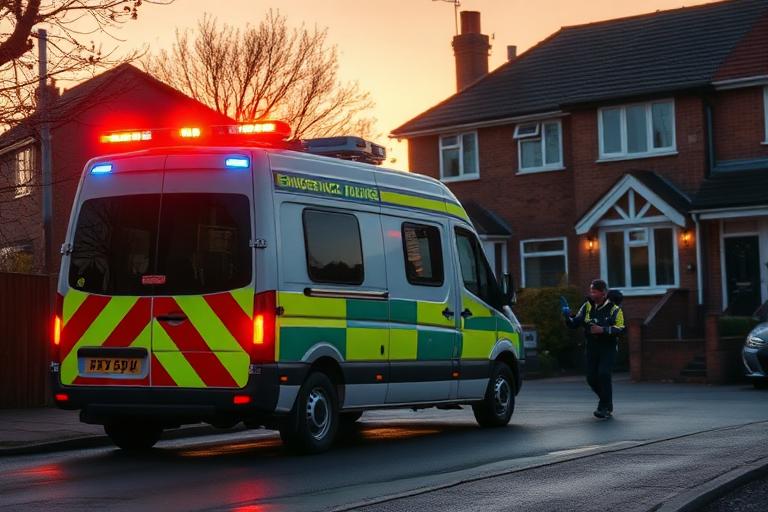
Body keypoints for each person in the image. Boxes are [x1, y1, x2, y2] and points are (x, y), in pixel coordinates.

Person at [561, 279, 625, 419]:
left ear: (603, 293)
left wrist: (603, 330)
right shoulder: (586, 307)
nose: (591, 294)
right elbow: (575, 323)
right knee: (591, 378)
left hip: (608, 347)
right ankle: (607, 402)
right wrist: (567, 317)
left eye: (594, 291)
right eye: (591, 291)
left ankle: (603, 407)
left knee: (603, 374)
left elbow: (620, 328)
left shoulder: (615, 309)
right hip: (592, 347)